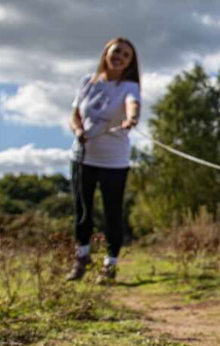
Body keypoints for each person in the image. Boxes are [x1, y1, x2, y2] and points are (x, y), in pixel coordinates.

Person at [67, 37, 141, 283]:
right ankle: (82, 257)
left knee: (112, 213)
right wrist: (78, 131)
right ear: (107, 53)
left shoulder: (129, 86)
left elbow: (132, 104)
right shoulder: (87, 82)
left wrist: (131, 118)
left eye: (126, 55)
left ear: (130, 63)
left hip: (114, 161)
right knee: (82, 210)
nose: (120, 57)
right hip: (82, 157)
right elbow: (74, 115)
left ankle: (110, 265)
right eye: (117, 51)